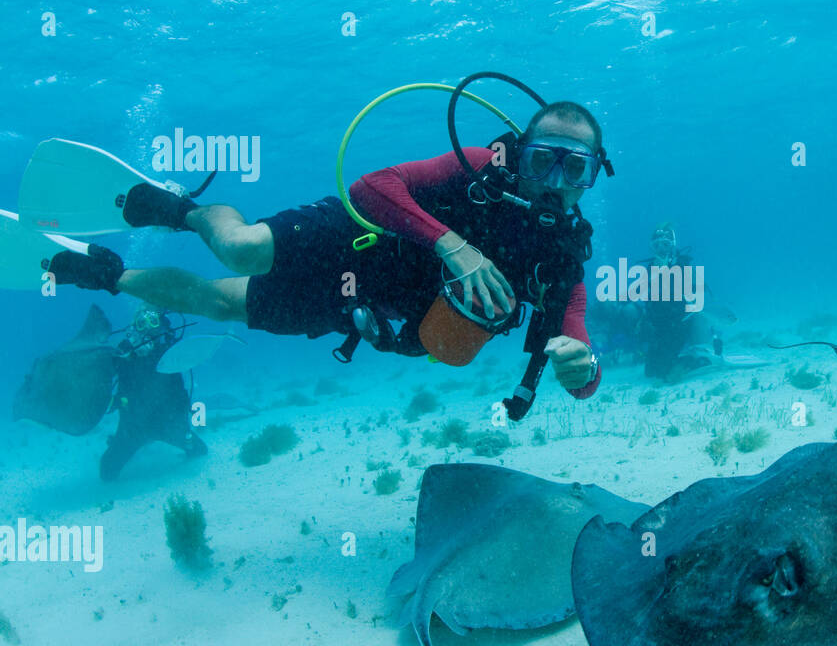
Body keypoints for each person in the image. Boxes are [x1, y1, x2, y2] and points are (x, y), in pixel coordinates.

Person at [47, 101, 608, 406]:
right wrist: (452, 243)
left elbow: (581, 370)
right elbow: (370, 187)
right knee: (240, 250)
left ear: (590, 177)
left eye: (574, 167)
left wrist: (584, 367)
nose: (554, 181)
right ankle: (182, 210)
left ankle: (107, 273)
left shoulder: (559, 263)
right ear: (520, 156)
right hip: (354, 234)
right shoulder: (477, 167)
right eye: (542, 161)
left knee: (217, 304)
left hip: (362, 302)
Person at [101, 307, 208, 481]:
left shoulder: (169, 352)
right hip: (133, 424)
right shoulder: (124, 354)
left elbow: (180, 391)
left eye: (153, 322)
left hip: (166, 423)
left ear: (161, 326)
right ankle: (121, 443)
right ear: (134, 328)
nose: (148, 328)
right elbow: (104, 380)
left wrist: (184, 417)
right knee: (106, 471)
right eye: (142, 324)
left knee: (200, 450)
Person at [638, 223, 723, 380]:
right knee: (650, 371)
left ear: (672, 246)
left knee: (664, 370)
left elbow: (684, 292)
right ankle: (688, 353)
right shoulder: (650, 269)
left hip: (680, 323)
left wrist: (665, 273)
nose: (661, 249)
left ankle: (701, 358)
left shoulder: (682, 264)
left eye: (665, 244)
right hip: (662, 326)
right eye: (657, 245)